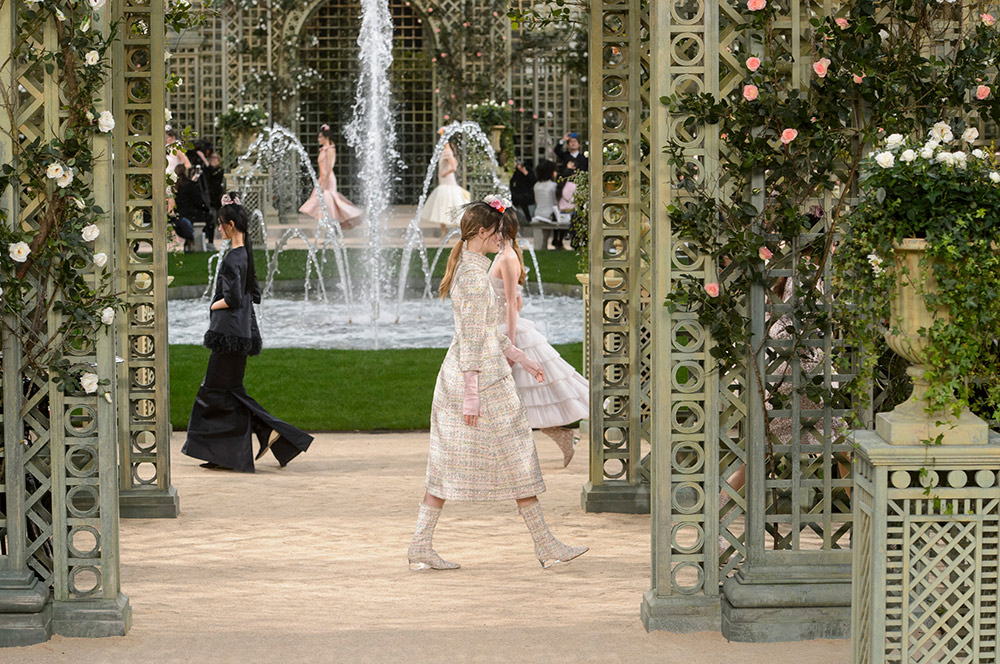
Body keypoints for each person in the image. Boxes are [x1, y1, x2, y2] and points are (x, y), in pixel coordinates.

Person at [408, 197, 588, 571]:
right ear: (479, 232)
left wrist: (525, 360)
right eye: (497, 231)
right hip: (479, 383)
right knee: (501, 458)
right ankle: (543, 545)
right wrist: (472, 394)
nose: (502, 237)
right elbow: (474, 338)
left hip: (481, 377)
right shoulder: (472, 276)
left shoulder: (473, 270)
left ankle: (543, 544)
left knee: (500, 459)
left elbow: (487, 334)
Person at [183, 193, 314, 472]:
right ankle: (258, 439)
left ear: (230, 225)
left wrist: (212, 304)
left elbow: (232, 299)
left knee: (214, 393)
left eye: (221, 224)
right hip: (238, 333)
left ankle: (250, 443)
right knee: (227, 392)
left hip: (229, 334)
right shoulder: (245, 255)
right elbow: (252, 293)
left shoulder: (234, 258)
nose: (218, 229)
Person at [490, 214, 589, 466]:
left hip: (508, 334)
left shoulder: (508, 258)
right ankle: (559, 438)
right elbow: (516, 301)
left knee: (523, 394)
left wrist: (511, 346)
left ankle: (512, 453)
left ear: (502, 230)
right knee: (519, 396)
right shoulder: (503, 257)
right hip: (500, 330)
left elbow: (513, 305)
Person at [299, 123, 363, 229]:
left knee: (329, 203)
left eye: (320, 137)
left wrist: (324, 183)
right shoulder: (324, 149)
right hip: (323, 178)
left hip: (327, 179)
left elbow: (329, 167)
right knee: (322, 203)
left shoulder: (329, 149)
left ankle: (336, 224)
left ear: (326, 137)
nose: (319, 139)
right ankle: (332, 227)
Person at [420, 138, 471, 236]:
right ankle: (445, 232)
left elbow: (453, 167)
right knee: (442, 208)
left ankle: (456, 231)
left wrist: (443, 173)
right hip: (445, 183)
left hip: (448, 183)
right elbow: (454, 164)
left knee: (449, 207)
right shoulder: (447, 152)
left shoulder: (447, 152)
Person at [171, 164, 208, 253]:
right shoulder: (189, 185)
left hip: (177, 214)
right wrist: (206, 208)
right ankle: (204, 242)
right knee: (208, 217)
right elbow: (197, 201)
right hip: (190, 214)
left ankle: (189, 242)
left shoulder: (174, 186)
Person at [532, 160, 561, 250]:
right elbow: (556, 202)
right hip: (548, 215)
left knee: (541, 242)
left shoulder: (536, 185)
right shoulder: (553, 185)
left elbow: (537, 201)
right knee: (544, 239)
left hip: (538, 213)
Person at [509, 158, 536, 224]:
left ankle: (528, 218)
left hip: (526, 195)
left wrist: (525, 173)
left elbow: (534, 181)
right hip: (517, 195)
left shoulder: (527, 170)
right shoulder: (515, 172)